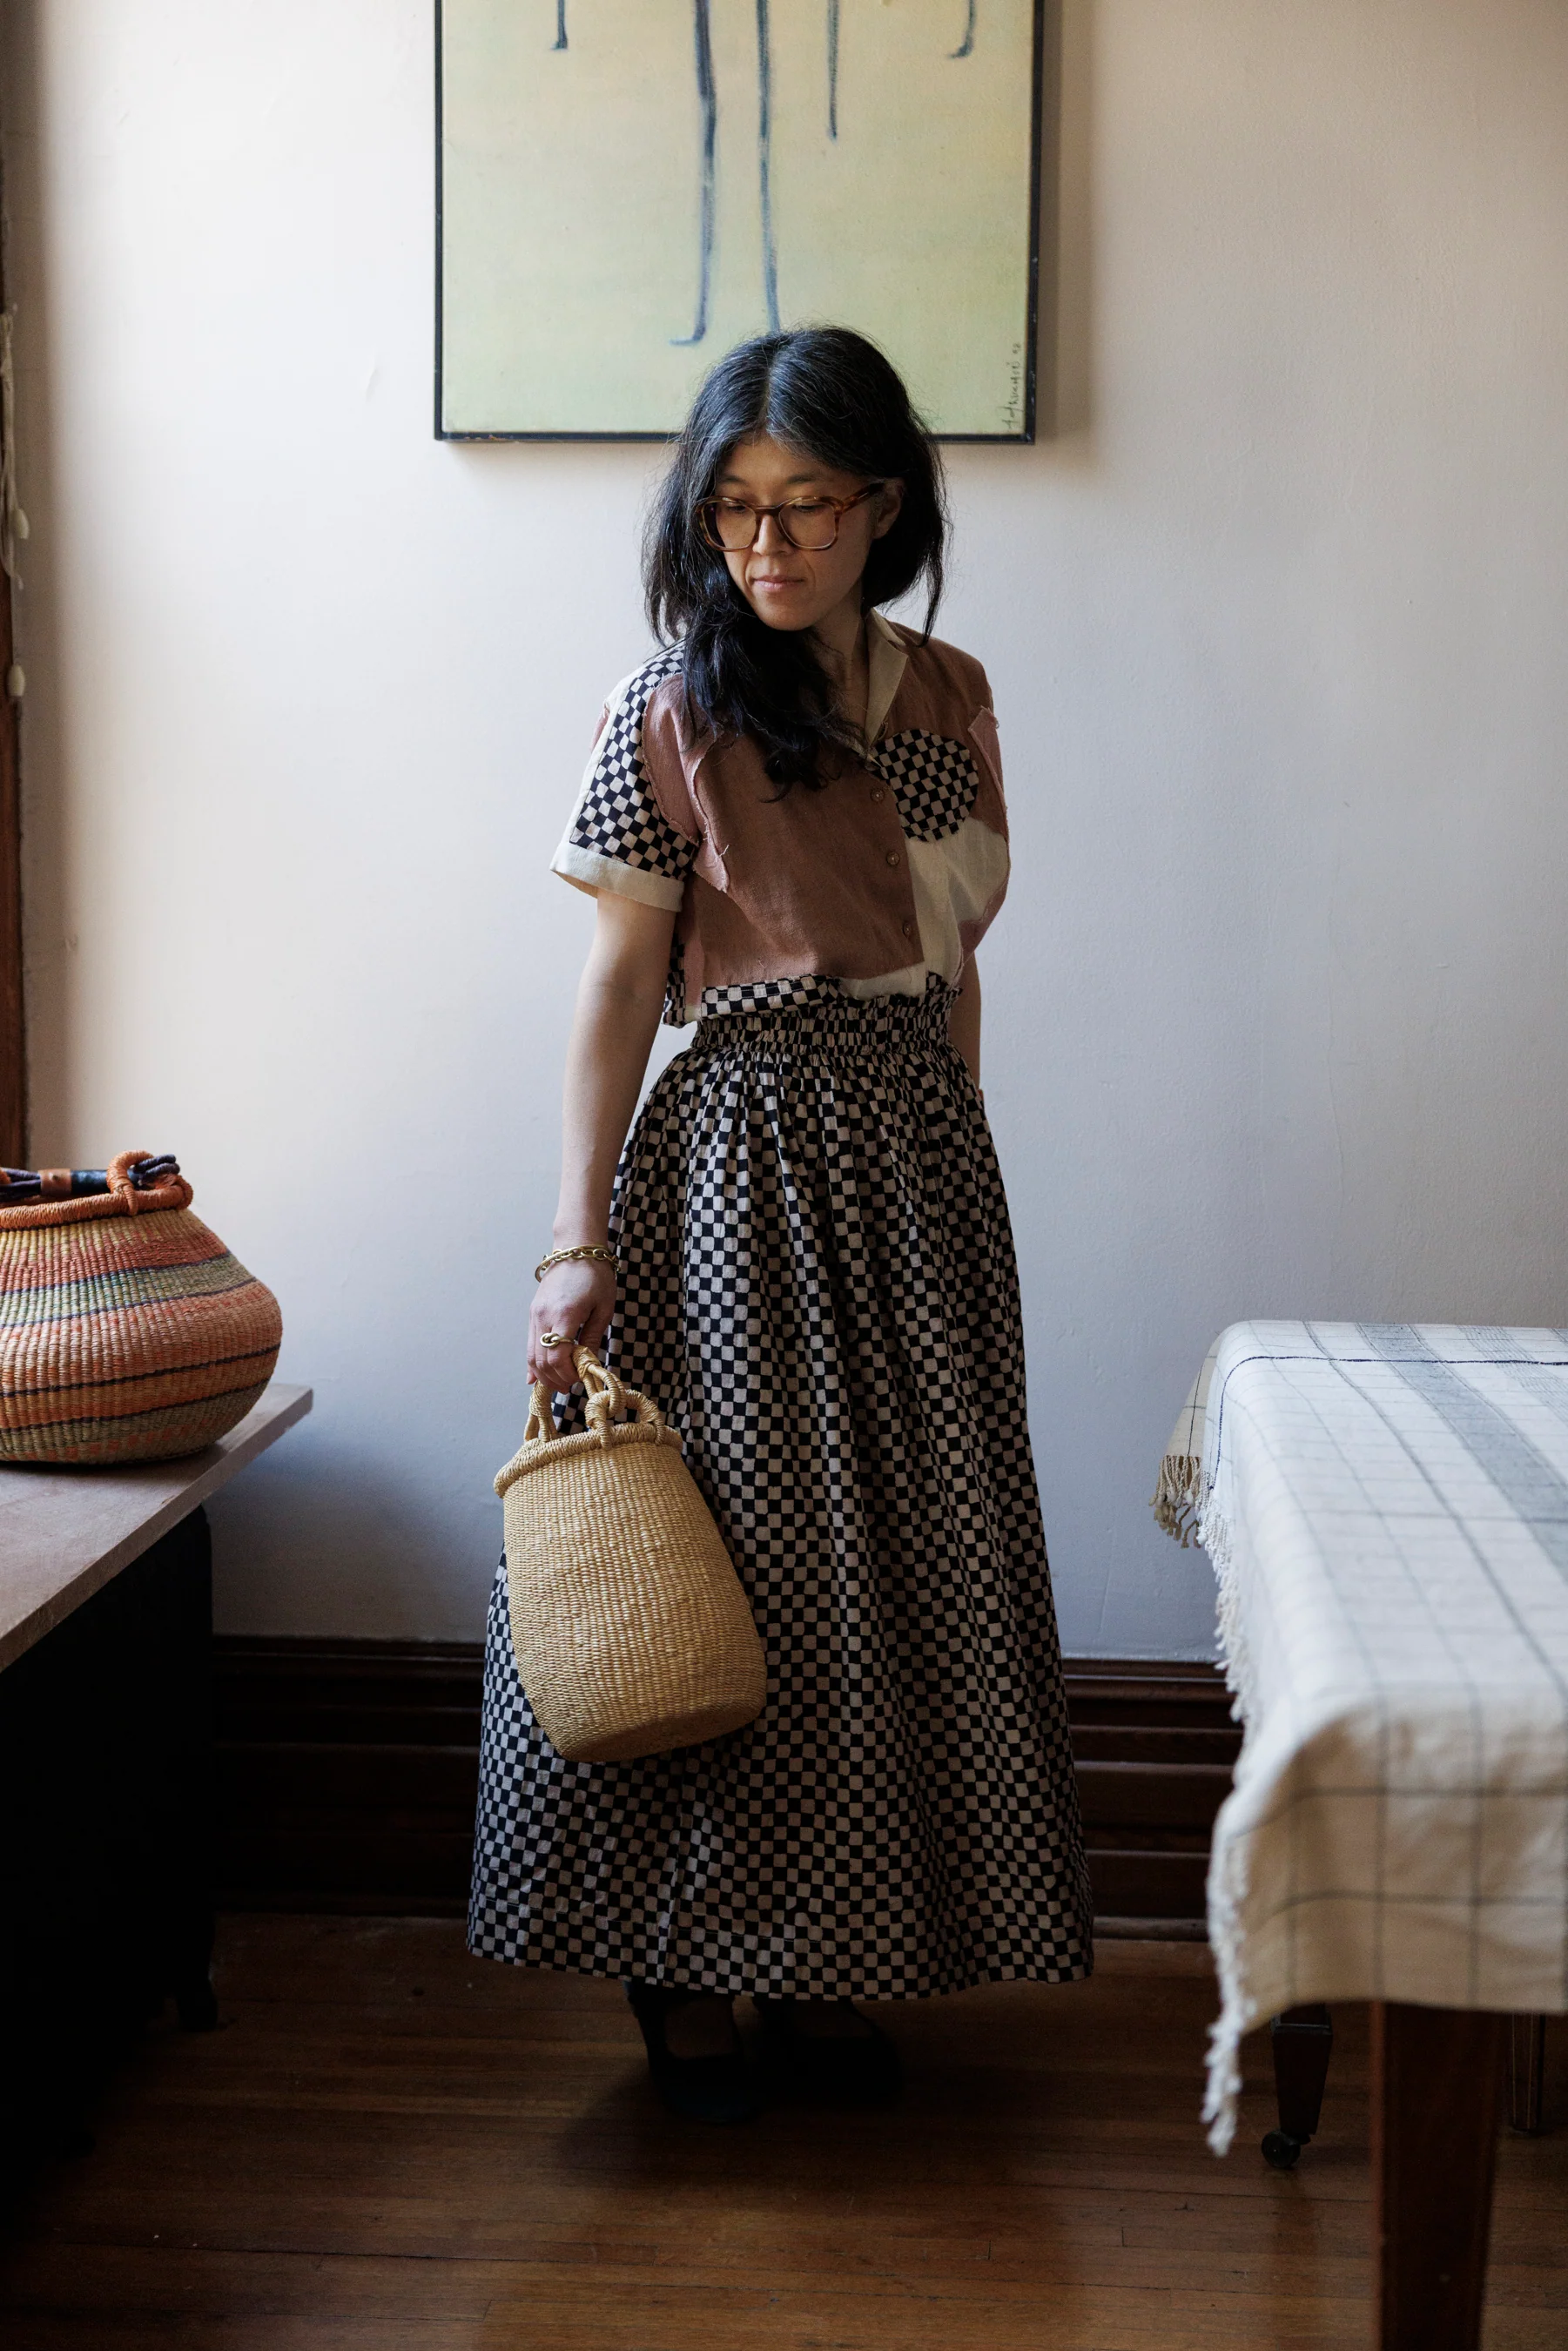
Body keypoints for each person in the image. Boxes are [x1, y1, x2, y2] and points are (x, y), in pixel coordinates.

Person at [468, 326, 1092, 2122]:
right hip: (734, 1165)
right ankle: (681, 1958)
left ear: (881, 502)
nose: (767, 546)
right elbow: (610, 993)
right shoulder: (665, 709)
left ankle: (832, 1951)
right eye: (736, 511)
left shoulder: (952, 699)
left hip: (914, 1168)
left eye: (806, 506)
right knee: (732, 1566)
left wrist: (956, 1162)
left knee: (887, 1575)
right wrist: (568, 1245)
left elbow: (956, 961)